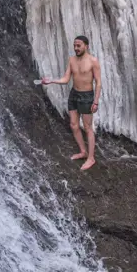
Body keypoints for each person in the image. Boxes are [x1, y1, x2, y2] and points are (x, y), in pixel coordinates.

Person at [41, 35, 101, 171]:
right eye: (74, 45)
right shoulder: (72, 60)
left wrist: (95, 101)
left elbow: (98, 83)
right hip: (74, 95)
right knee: (74, 125)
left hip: (87, 97)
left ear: (86, 46)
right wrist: (51, 81)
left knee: (88, 128)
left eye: (78, 45)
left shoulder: (93, 61)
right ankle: (83, 151)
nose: (76, 48)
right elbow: (66, 79)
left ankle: (91, 158)